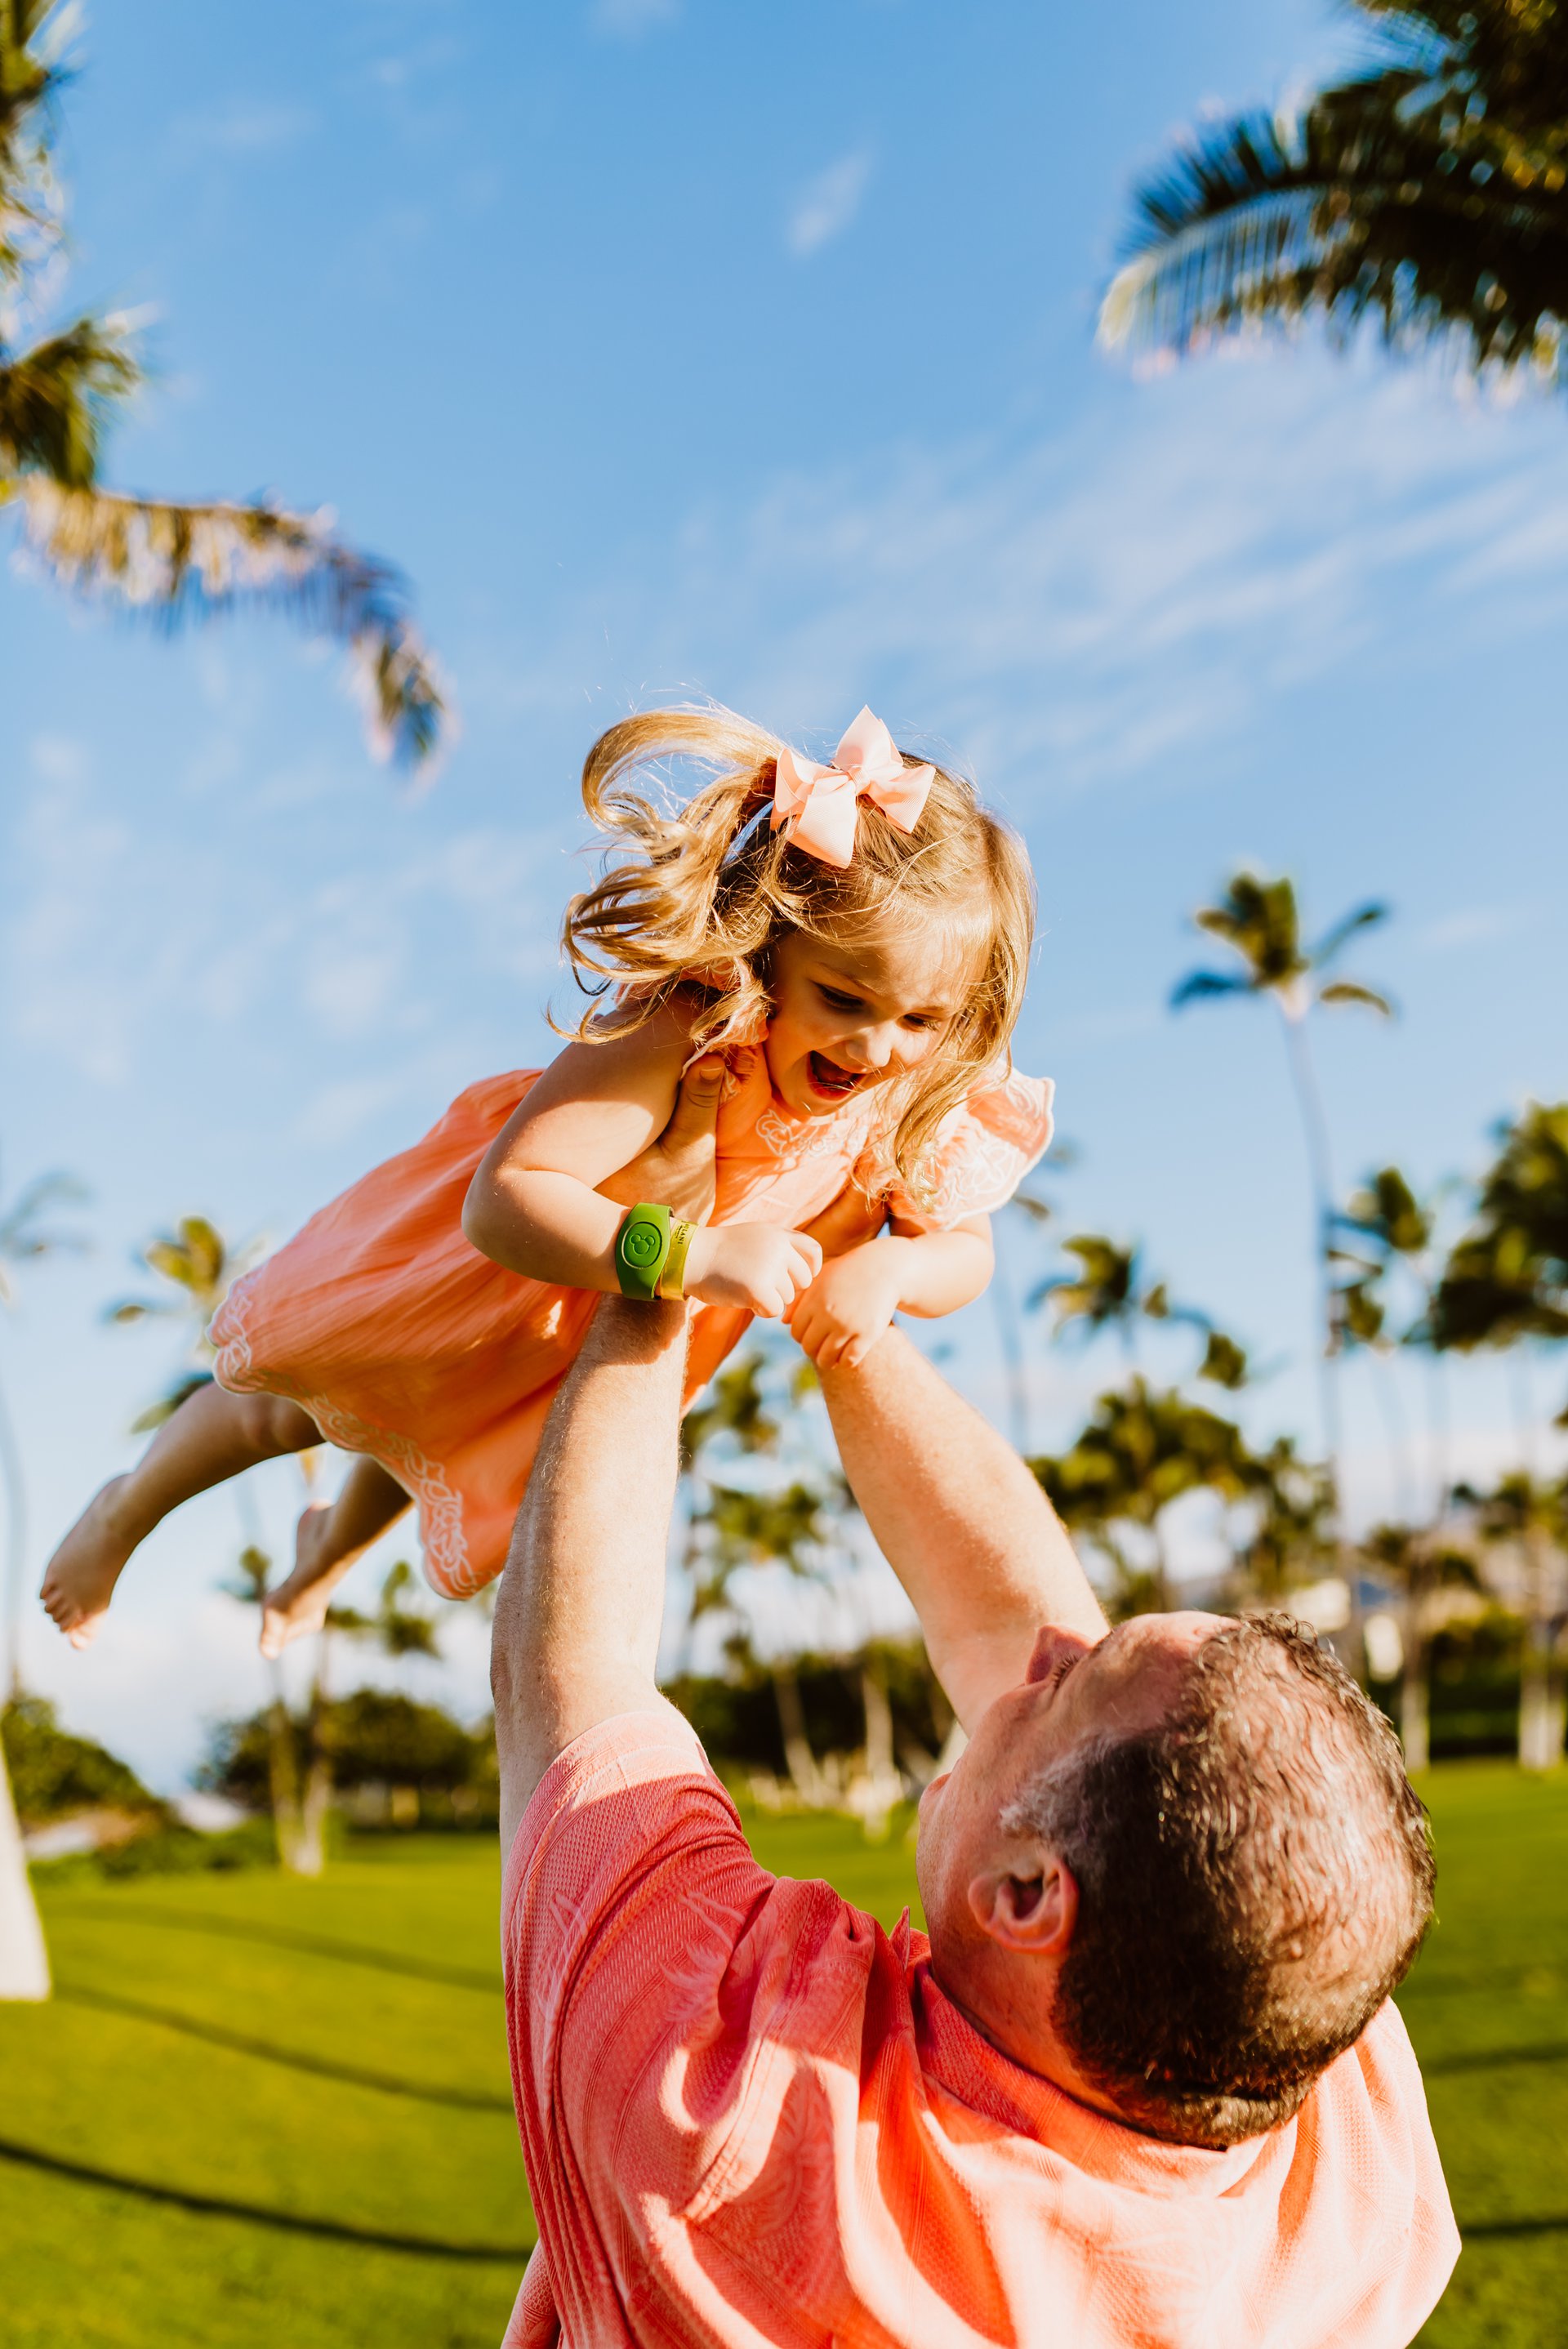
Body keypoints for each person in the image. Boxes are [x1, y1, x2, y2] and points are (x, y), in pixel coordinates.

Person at [491, 1060, 1459, 2349]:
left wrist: (666, 1251)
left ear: (1028, 1897)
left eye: (1076, 1682)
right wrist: (849, 1304)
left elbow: (572, 1683)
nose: (1056, 1642)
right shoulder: (1353, 2173)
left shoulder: (737, 2132)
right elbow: (1025, 1644)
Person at [40, 702, 1049, 1654]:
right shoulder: (687, 1026)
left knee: (433, 1449)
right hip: (501, 1265)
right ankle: (124, 1508)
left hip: (575, 1336)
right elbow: (506, 1199)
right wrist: (689, 1252)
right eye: (845, 998)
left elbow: (963, 1246)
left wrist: (893, 1274)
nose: (877, 1046)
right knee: (286, 1408)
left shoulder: (915, 1098)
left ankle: (322, 1561)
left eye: (921, 1020)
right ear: (771, 950)